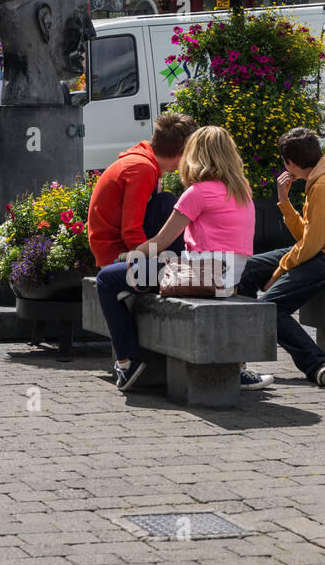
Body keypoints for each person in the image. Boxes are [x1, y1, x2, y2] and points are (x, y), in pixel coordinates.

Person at [127, 126, 272, 391]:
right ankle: (236, 369)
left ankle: (132, 362)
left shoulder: (199, 192)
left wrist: (127, 257)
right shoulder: (241, 192)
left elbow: (160, 242)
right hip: (230, 277)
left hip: (206, 275)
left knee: (113, 280)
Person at [89, 111, 196, 391]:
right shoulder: (143, 169)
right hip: (117, 253)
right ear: (182, 152)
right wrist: (150, 264)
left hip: (115, 249)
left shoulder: (142, 160)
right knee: (167, 203)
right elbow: (131, 231)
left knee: (165, 201)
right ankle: (173, 270)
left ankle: (170, 268)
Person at [235, 127, 325, 388]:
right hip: (314, 250)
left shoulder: (320, 185)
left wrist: (280, 271)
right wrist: (284, 201)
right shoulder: (315, 179)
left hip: (320, 257)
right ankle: (241, 354)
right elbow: (306, 236)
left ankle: (316, 364)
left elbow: (311, 244)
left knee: (269, 309)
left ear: (290, 164)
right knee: (247, 268)